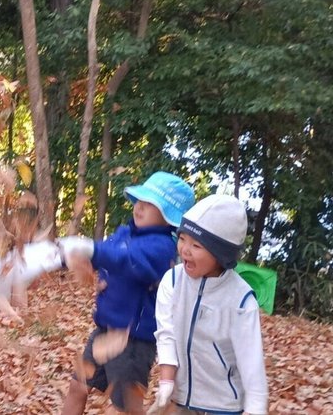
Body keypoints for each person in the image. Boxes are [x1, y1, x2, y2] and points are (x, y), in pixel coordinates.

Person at [61, 172, 195, 415]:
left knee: (124, 408)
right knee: (77, 386)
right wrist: (70, 256)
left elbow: (127, 260)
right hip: (104, 331)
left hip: (133, 342)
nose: (139, 207)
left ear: (168, 216)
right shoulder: (125, 233)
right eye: (139, 200)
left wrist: (92, 251)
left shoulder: (163, 247)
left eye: (149, 204)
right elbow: (103, 255)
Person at [151, 194, 268, 414]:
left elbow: (252, 364)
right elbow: (166, 334)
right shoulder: (172, 281)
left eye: (196, 245)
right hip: (180, 398)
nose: (185, 249)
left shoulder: (241, 300)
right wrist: (166, 383)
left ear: (221, 254)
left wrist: (255, 409)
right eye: (182, 238)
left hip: (223, 405)